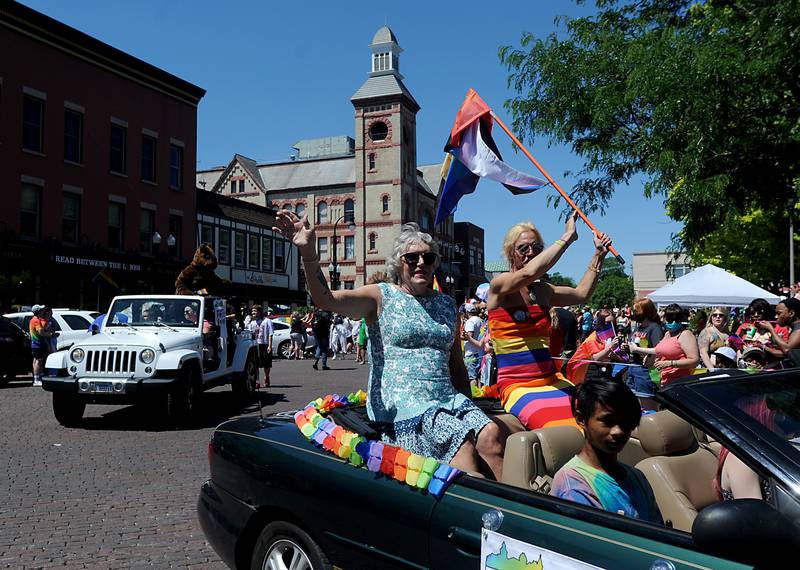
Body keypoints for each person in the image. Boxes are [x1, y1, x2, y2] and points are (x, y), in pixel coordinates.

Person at [274, 211, 506, 478]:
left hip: (447, 399)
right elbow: (327, 300)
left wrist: (468, 403)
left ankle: (519, 515)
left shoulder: (446, 304)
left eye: (428, 257)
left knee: (492, 435)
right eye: (412, 258)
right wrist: (309, 253)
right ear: (399, 263)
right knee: (462, 446)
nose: (421, 263)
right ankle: (476, 513)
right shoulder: (381, 296)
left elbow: (456, 363)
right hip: (406, 404)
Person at [487, 213, 612, 430]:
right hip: (516, 385)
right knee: (558, 429)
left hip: (552, 379)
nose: (531, 252)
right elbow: (531, 271)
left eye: (537, 247)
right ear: (511, 254)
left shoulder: (544, 290)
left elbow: (582, 294)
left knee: (598, 417)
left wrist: (598, 255)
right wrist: (569, 236)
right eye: (523, 248)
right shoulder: (500, 285)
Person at [550, 377, 662, 523]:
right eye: (608, 421)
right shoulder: (573, 485)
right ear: (581, 419)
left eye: (626, 422)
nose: (618, 431)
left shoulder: (637, 478)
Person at [630, 304, 699, 387]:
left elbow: (694, 361)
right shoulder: (667, 334)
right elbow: (658, 351)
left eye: (676, 319)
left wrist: (669, 363)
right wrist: (650, 357)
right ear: (665, 319)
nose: (673, 322)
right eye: (670, 319)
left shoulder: (685, 334)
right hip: (665, 380)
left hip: (680, 382)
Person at [625, 298, 663, 398]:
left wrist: (637, 350)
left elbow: (659, 350)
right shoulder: (639, 327)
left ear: (645, 312)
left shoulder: (654, 328)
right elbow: (635, 346)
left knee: (645, 403)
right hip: (632, 367)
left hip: (645, 371)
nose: (633, 313)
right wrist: (626, 347)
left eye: (636, 311)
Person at [29, 304, 57, 387]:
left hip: (36, 344)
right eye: (41, 310)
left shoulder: (34, 319)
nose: (43, 311)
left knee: (36, 361)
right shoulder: (36, 320)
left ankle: (37, 378)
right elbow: (40, 332)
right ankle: (36, 379)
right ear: (38, 312)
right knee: (38, 361)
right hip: (38, 344)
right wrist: (49, 334)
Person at [247, 305, 274, 387]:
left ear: (259, 312)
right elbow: (249, 334)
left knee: (266, 363)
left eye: (255, 311)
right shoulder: (251, 323)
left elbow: (270, 333)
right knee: (255, 364)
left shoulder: (267, 321)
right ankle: (257, 381)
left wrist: (269, 345)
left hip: (265, 344)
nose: (253, 313)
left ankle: (266, 377)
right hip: (255, 345)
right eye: (252, 311)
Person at [462, 302, 484, 385]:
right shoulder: (480, 320)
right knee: (478, 378)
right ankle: (479, 396)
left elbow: (469, 336)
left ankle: (473, 396)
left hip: (471, 353)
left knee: (472, 378)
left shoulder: (470, 321)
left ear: (466, 312)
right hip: (480, 352)